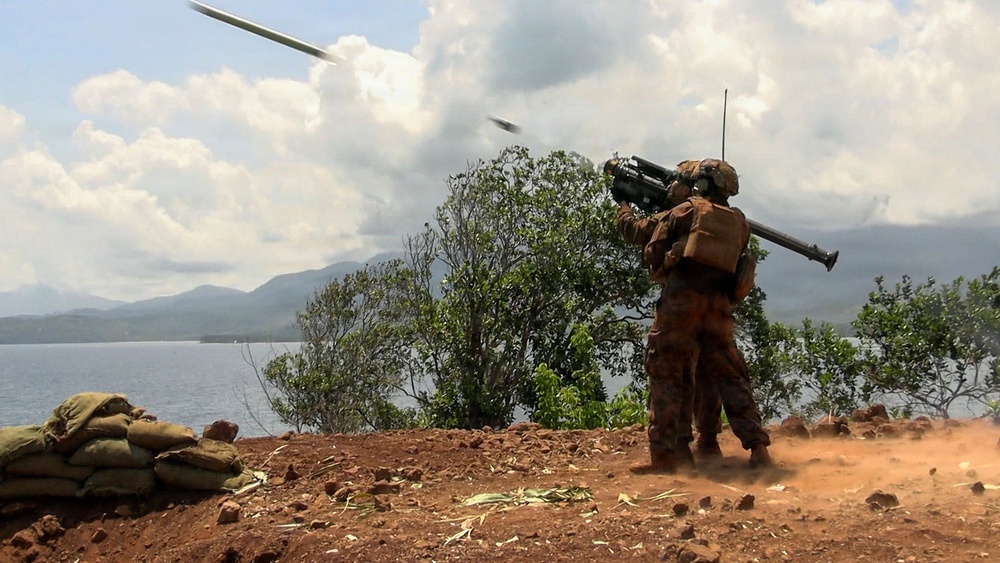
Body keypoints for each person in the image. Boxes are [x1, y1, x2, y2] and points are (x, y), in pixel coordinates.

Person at [616, 158, 772, 473]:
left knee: (668, 373)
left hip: (681, 304)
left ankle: (666, 456)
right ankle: (758, 449)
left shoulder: (684, 211)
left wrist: (623, 205)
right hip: (718, 309)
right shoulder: (739, 223)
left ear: (700, 184)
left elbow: (649, 244)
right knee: (730, 376)